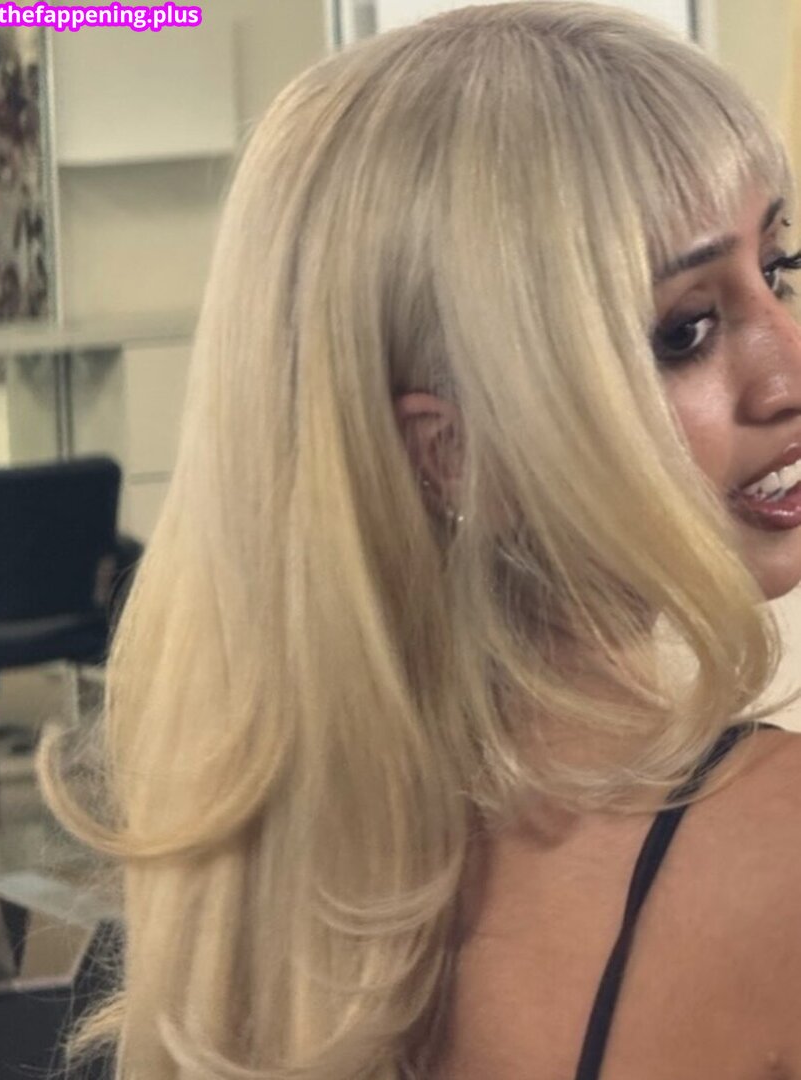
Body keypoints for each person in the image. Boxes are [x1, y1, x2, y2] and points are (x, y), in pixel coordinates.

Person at [41, 3, 801, 1078]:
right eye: (685, 330)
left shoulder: (228, 902)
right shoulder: (776, 849)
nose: (788, 370)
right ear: (454, 454)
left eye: (780, 269)